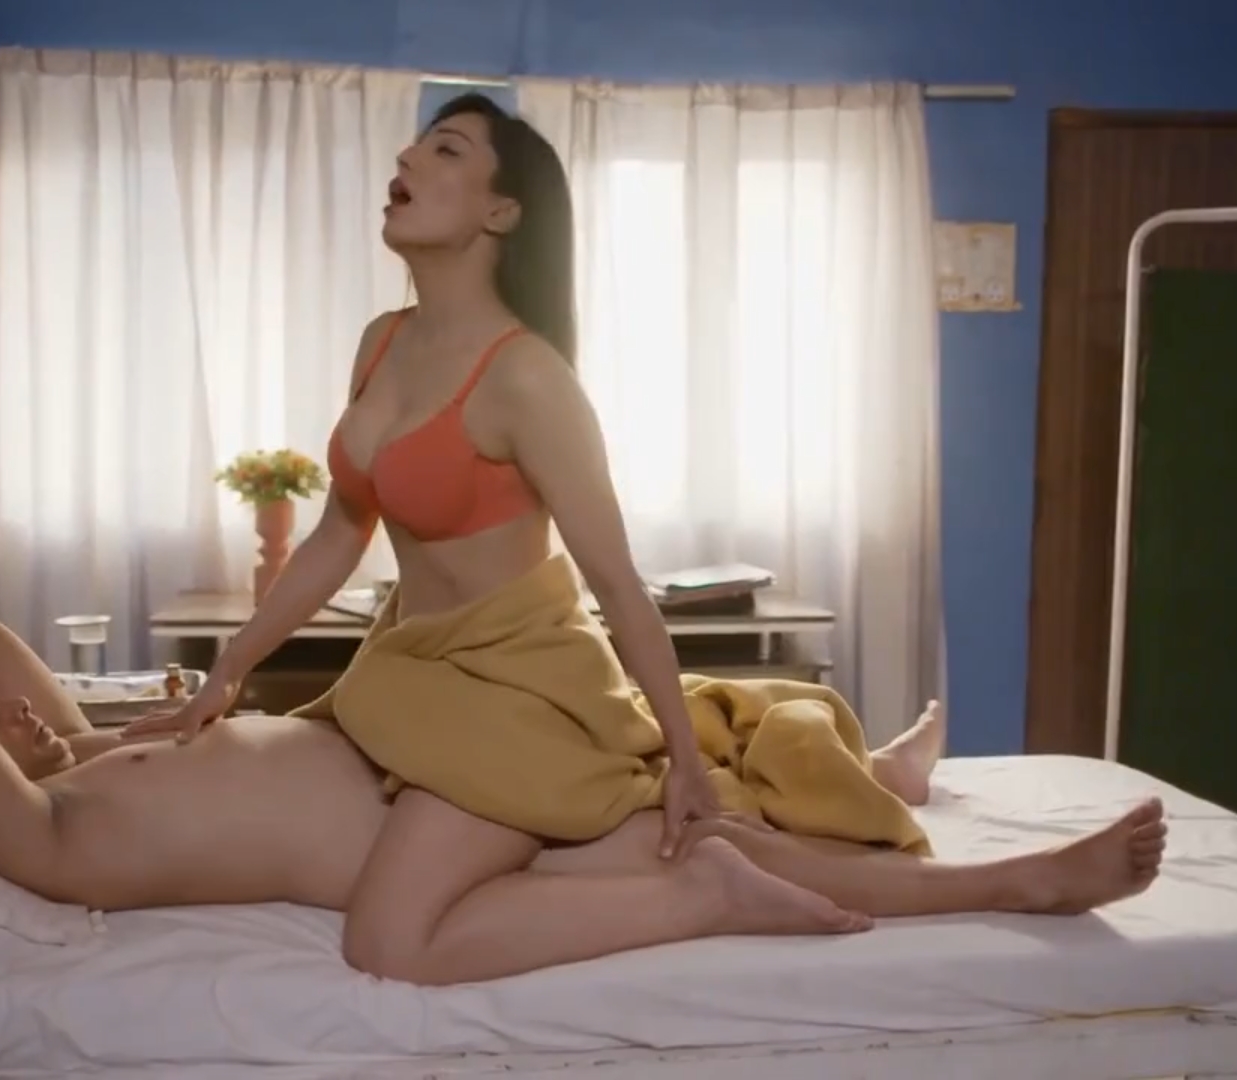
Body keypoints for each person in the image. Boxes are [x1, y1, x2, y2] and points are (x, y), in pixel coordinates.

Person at [94, 91, 1167, 985]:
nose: (407, 159)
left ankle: (1006, 879)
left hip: (519, 688)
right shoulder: (382, 342)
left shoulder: (529, 380)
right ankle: (884, 780)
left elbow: (618, 586)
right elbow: (340, 530)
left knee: (607, 854)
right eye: (415, 146)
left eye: (445, 148)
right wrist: (228, 670)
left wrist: (683, 761)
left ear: (503, 210)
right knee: (608, 843)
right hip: (421, 673)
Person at [0, 608, 1163, 985]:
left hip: (431, 769)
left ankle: (895, 802)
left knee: (687, 793)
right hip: (430, 833)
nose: (11, 707)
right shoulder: (32, 833)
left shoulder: (82, 752)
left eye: (3, 706)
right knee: (698, 836)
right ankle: (1010, 882)